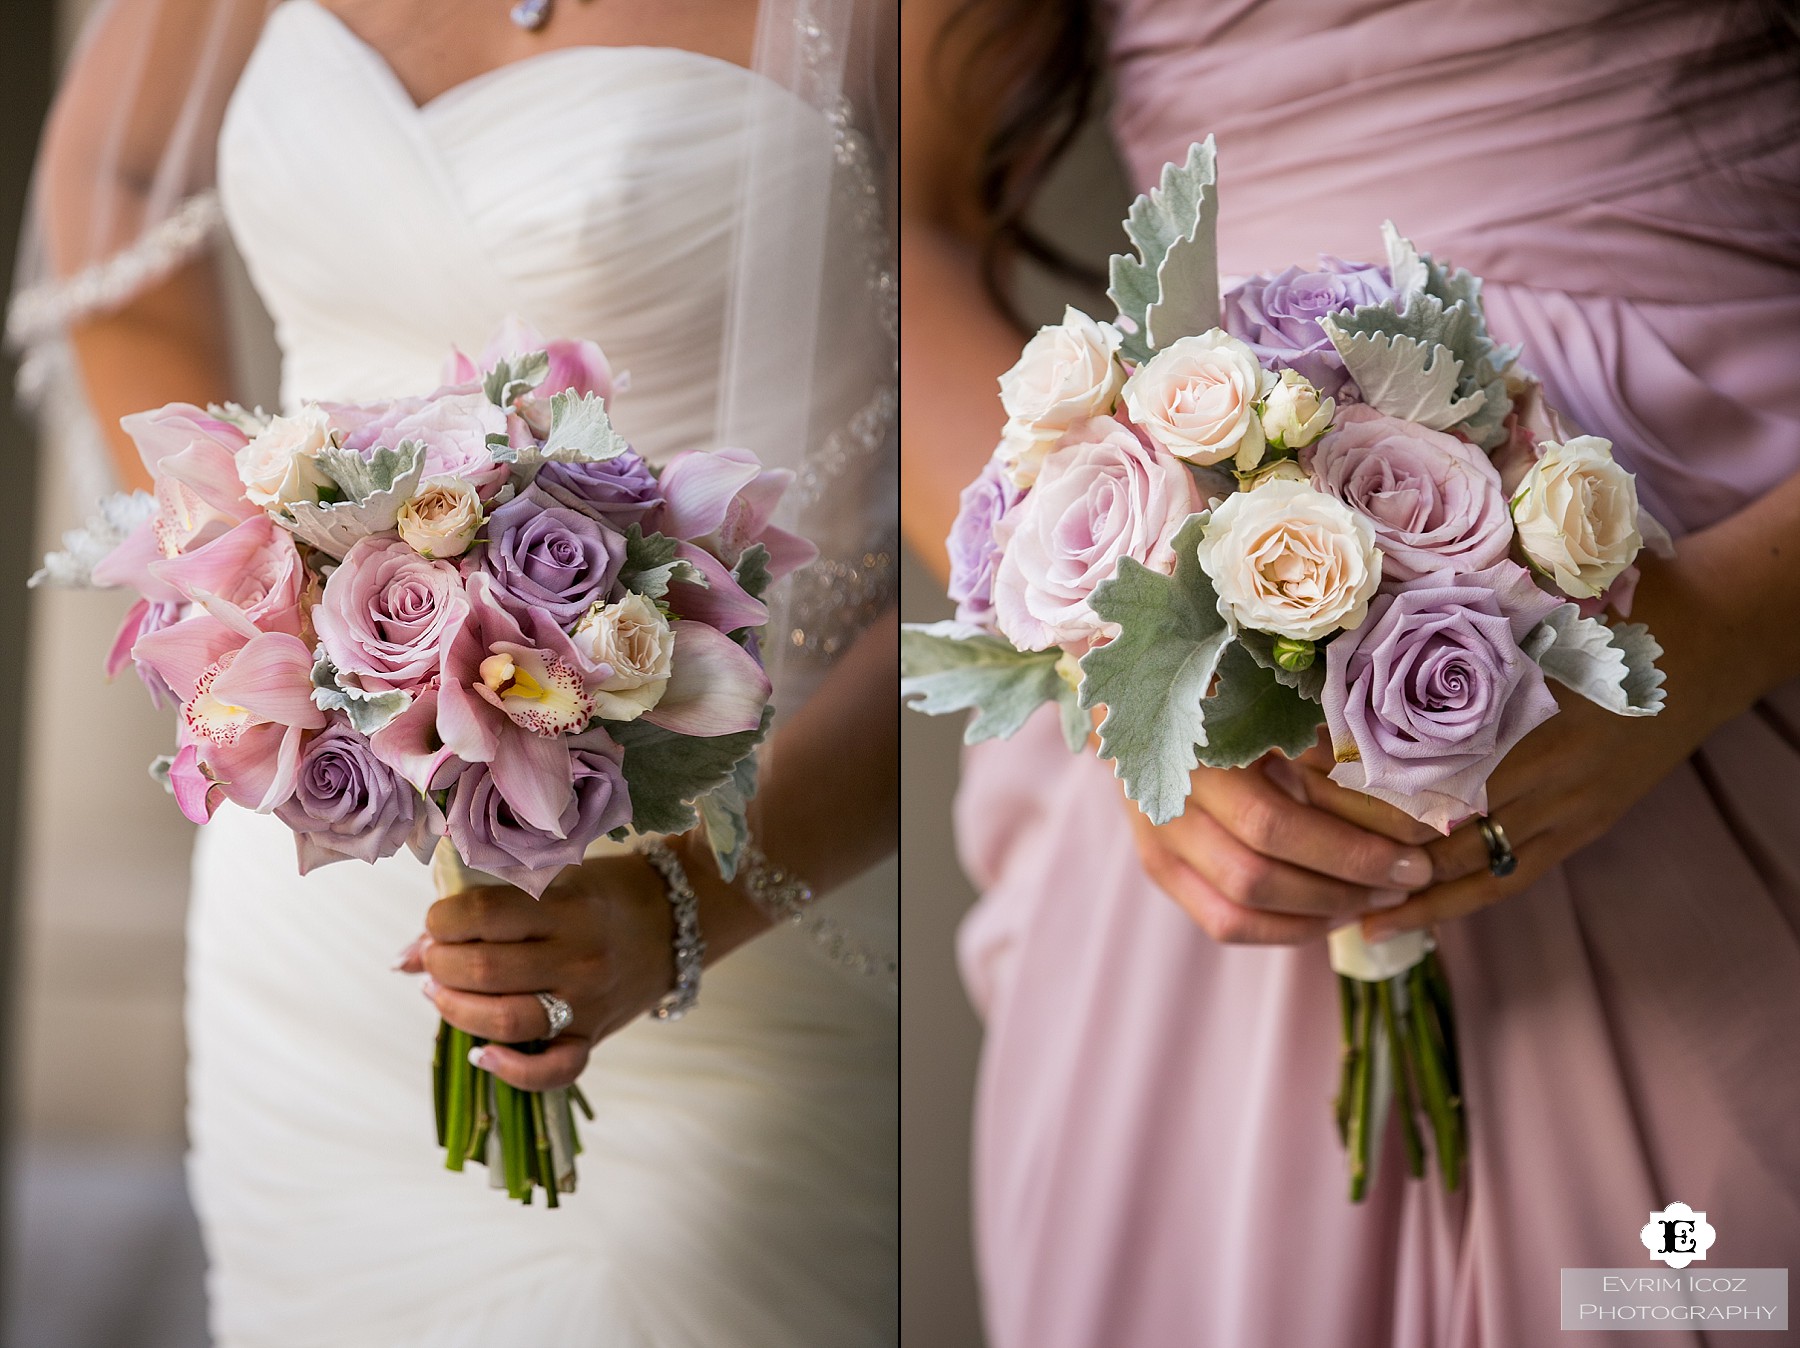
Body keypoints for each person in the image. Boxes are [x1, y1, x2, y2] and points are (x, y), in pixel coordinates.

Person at [902, 2, 1800, 1344]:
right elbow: (901, 240)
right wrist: (1119, 657)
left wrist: (1727, 620)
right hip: (1215, 743)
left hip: (1742, 595)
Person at [9, 1, 898, 1343]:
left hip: (746, 895)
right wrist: (257, 566)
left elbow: (986, 526)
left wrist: (682, 910)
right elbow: (112, 174)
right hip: (311, 910)